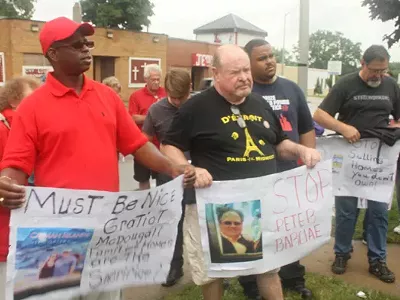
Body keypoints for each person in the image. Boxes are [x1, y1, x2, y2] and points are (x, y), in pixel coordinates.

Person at [0, 17, 196, 300]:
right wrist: (6, 184)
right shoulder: (32, 107)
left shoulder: (108, 97)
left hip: (106, 231)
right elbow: (16, 165)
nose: (86, 50)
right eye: (77, 45)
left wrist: (173, 167)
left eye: (87, 43)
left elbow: (138, 145)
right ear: (53, 54)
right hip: (58, 238)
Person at [161, 44, 321, 300]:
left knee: (269, 268)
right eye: (236, 72)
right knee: (213, 273)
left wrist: (301, 151)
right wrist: (188, 168)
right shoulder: (196, 107)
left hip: (260, 205)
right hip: (211, 207)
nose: (245, 77)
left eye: (246, 70)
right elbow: (170, 146)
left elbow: (279, 143)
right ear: (216, 72)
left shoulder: (260, 103)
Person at [313, 45, 400, 283]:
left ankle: (377, 259)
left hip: (379, 159)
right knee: (346, 211)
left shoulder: (391, 85)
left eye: (383, 71)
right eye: (374, 70)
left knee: (379, 212)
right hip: (350, 158)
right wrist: (343, 127)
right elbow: (319, 115)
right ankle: (342, 253)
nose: (378, 76)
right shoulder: (346, 84)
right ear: (363, 63)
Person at [235, 39, 314, 300]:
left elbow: (306, 128)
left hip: (289, 171)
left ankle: (293, 277)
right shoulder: (242, 91)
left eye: (271, 55)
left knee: (288, 229)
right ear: (248, 63)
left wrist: (308, 164)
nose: (270, 61)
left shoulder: (292, 89)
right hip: (253, 174)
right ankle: (250, 283)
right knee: (252, 229)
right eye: (262, 58)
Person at [142, 68, 193, 287]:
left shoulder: (201, 106)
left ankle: (216, 270)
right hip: (168, 177)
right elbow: (143, 140)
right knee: (172, 223)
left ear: (190, 89)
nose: (179, 102)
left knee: (204, 220)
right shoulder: (156, 110)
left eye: (183, 97)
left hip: (202, 174)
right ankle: (174, 268)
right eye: (174, 97)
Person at [0, 76, 40, 274]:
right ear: (14, 101)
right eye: (31, 99)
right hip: (8, 236)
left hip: (26, 234)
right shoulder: (4, 128)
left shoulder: (34, 128)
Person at [129, 64, 167, 190]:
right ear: (146, 79)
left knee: (163, 178)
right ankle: (145, 207)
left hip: (162, 146)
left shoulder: (166, 93)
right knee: (143, 178)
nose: (156, 82)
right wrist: (153, 117)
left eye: (158, 79)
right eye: (153, 79)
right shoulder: (136, 96)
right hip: (143, 146)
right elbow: (133, 118)